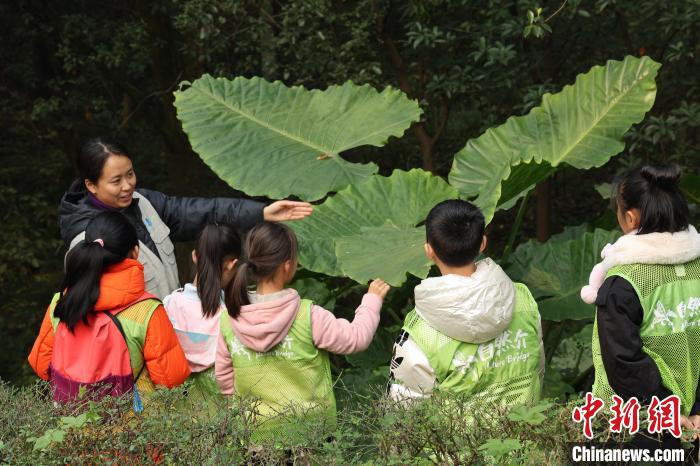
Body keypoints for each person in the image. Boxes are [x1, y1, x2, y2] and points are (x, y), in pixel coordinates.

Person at [59, 138, 313, 298]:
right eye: (116, 181)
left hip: (168, 337)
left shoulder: (144, 202)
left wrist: (260, 212)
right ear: (91, 185)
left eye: (130, 174)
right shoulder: (87, 238)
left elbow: (204, 211)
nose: (128, 185)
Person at [215, 222, 390, 438]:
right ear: (287, 266)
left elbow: (224, 380)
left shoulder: (228, 320)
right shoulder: (308, 315)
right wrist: (372, 300)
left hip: (255, 435)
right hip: (310, 435)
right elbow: (356, 339)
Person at [388, 199, 543, 405]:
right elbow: (538, 369)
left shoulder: (419, 331)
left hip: (460, 438)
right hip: (526, 430)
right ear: (482, 243)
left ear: (429, 251)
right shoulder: (522, 299)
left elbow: (406, 410)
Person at [28, 211, 190, 406]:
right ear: (136, 252)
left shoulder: (61, 302)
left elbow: (41, 364)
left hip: (70, 425)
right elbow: (170, 380)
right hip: (130, 428)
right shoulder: (147, 311)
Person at [589, 164, 700, 438]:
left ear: (629, 217)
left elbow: (622, 360)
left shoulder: (623, 281)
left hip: (637, 425)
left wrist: (666, 410)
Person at [163, 224, 241, 397]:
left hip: (177, 402)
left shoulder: (169, 303)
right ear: (231, 265)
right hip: (219, 406)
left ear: (194, 256)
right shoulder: (229, 316)